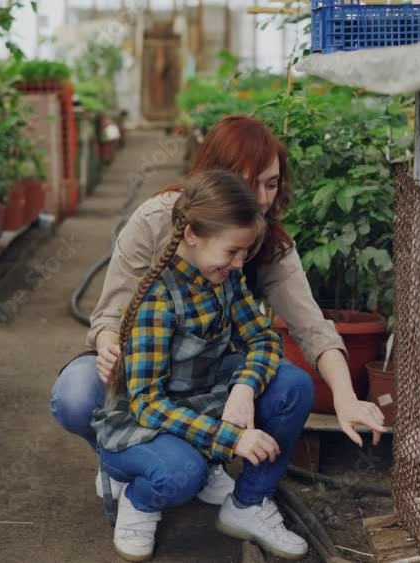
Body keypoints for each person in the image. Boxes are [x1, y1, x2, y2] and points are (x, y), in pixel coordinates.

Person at [50, 114, 386, 506]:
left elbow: (312, 329)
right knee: (75, 395)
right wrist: (111, 345)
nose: (261, 199)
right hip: (143, 363)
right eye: (248, 182)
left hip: (208, 370)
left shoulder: (268, 242)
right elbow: (109, 315)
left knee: (290, 383)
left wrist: (344, 397)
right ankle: (129, 460)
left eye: (272, 183)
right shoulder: (157, 219)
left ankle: (238, 495)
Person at [93, 170, 310, 560]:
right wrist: (233, 439)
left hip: (197, 410)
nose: (240, 262)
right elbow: (146, 404)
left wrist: (244, 387)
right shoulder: (158, 301)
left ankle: (247, 503)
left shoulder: (225, 280)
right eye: (232, 251)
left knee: (294, 385)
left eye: (245, 252)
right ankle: (139, 499)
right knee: (183, 475)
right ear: (192, 234)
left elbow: (263, 339)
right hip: (143, 427)